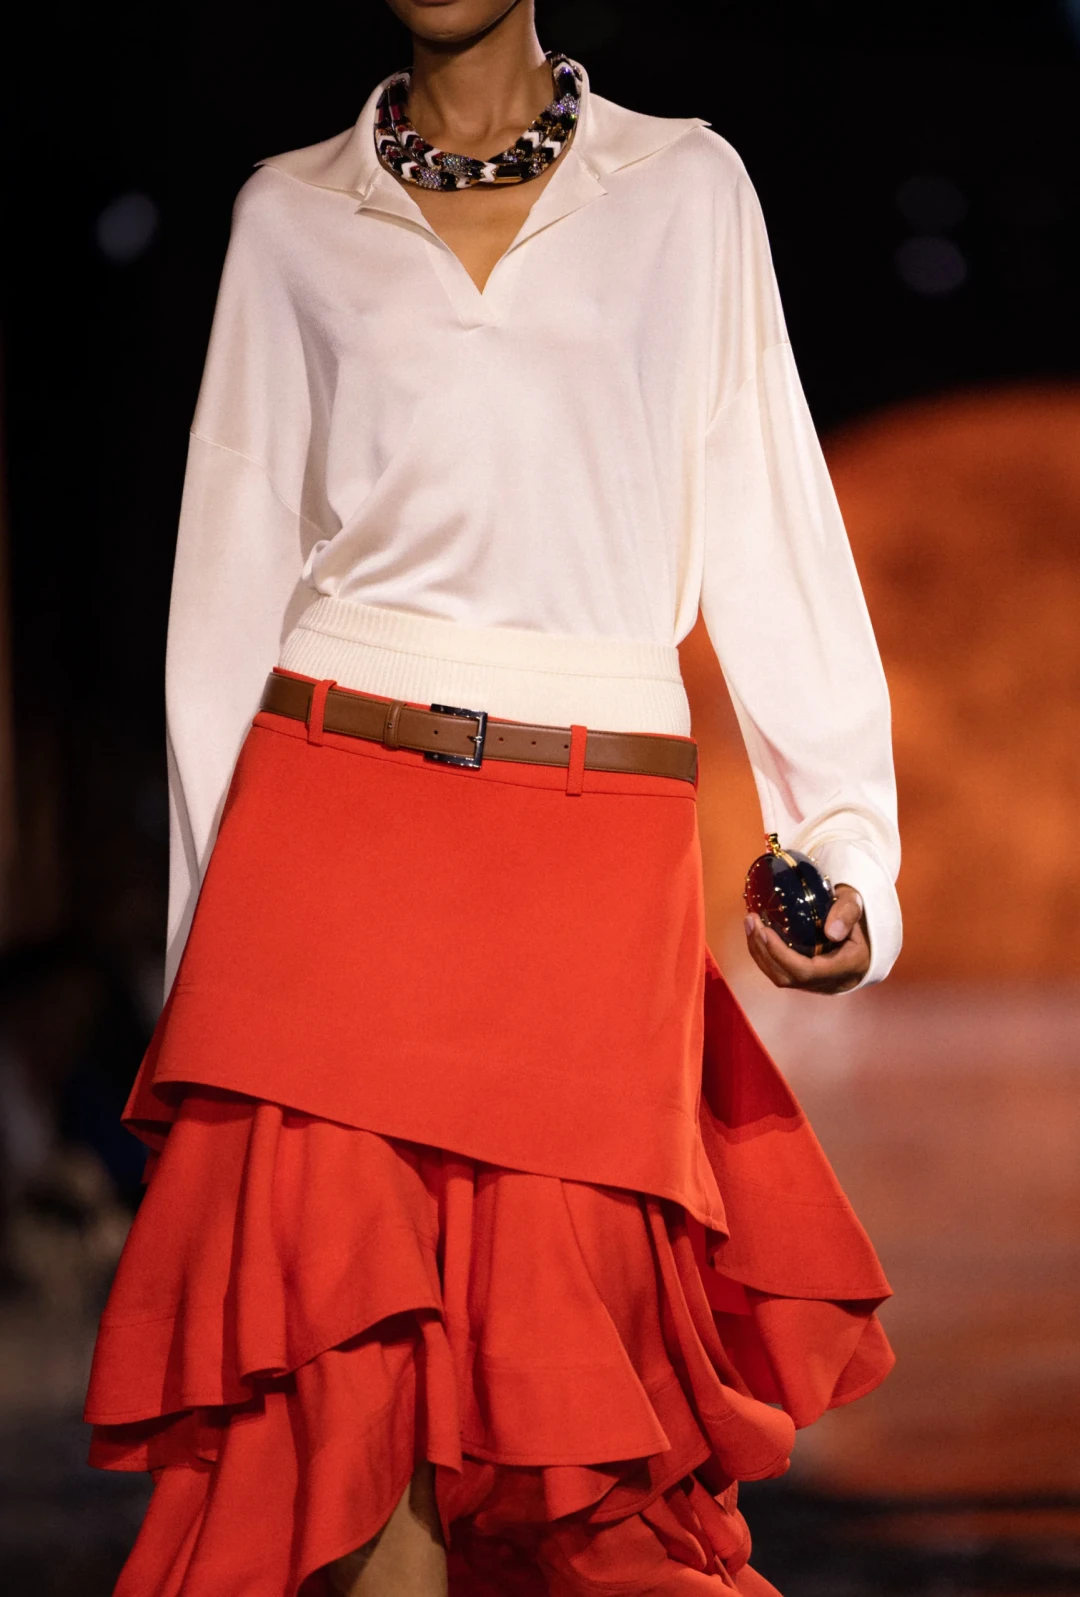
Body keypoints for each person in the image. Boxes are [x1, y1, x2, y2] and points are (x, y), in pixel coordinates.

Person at [84, 2, 902, 1593]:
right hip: (326, 841)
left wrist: (842, 839)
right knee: (352, 1399)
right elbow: (229, 587)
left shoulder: (684, 190)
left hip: (587, 856)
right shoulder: (289, 214)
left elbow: (770, 509)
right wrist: (203, 980)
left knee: (581, 1449)